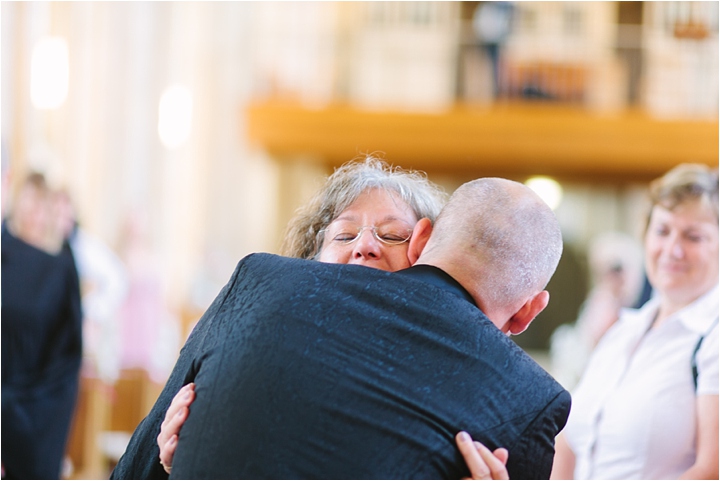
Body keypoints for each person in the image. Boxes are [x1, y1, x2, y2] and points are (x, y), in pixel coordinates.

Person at [112, 176, 570, 479]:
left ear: (422, 244)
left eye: (392, 236)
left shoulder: (511, 395)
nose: (365, 247)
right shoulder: (263, 291)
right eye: (344, 235)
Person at [551, 163, 719, 479]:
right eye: (662, 231)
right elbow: (570, 442)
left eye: (693, 236)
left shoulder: (712, 337)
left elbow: (713, 470)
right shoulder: (624, 331)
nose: (673, 250)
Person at [1, 172, 84, 479]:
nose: (33, 213)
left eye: (41, 205)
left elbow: (67, 348)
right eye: (28, 202)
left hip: (36, 401)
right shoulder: (4, 250)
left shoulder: (60, 264)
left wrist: (19, 409)